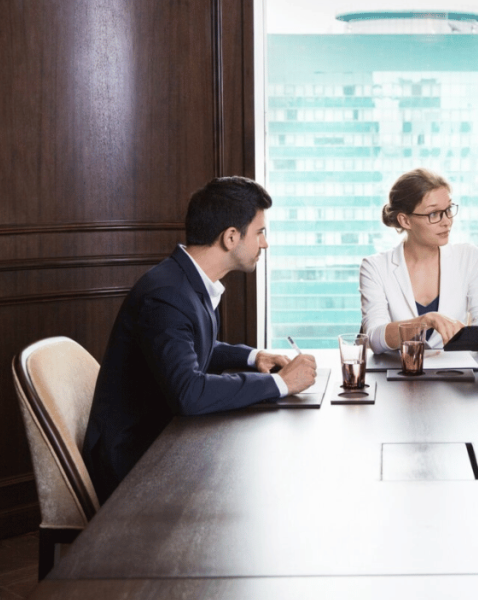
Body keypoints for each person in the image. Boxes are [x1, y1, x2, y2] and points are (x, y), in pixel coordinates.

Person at [83, 176, 317, 503]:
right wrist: (282, 385)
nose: (265, 243)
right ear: (231, 237)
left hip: (165, 438)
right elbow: (189, 393)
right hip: (134, 461)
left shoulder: (185, 281)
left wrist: (253, 358)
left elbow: (189, 349)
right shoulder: (167, 296)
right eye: (261, 232)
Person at [360, 168, 478, 354]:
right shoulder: (375, 267)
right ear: (405, 221)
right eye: (434, 214)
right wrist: (425, 321)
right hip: (398, 376)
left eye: (448, 209)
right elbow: (374, 338)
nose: (447, 221)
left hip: (456, 375)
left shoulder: (468, 256)